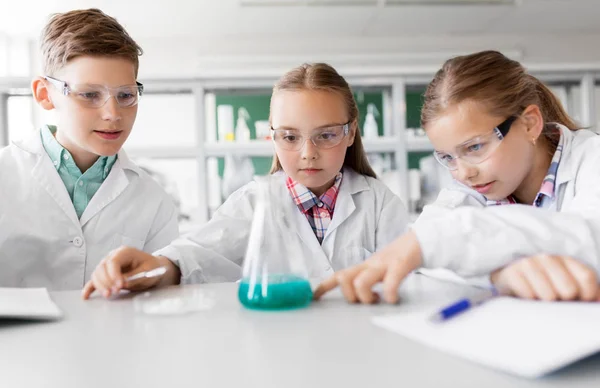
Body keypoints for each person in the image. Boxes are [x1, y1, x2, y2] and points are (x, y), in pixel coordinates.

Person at [82, 63, 409, 299]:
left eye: (326, 135)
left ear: (350, 132)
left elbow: (408, 281)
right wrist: (156, 265)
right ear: (272, 135)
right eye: (290, 137)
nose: (308, 153)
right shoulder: (254, 202)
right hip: (279, 345)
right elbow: (199, 255)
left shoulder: (379, 203)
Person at [314, 50, 600, 304]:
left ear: (529, 124)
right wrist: (499, 273)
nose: (464, 173)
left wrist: (441, 243)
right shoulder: (475, 184)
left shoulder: (592, 159)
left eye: (475, 147)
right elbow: (427, 257)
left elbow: (589, 238)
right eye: (448, 158)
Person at [0, 9, 178, 290]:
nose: (112, 113)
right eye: (89, 94)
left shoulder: (153, 201)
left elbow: (162, 298)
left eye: (125, 95)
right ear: (45, 95)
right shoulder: (5, 175)